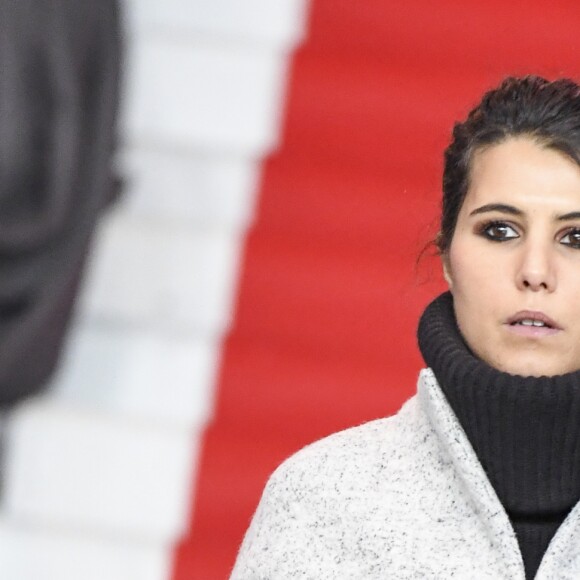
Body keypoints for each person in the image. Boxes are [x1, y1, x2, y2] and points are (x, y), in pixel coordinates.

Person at [230, 76, 580, 579]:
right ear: (446, 256)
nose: (535, 270)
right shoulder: (322, 503)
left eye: (576, 237)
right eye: (500, 230)